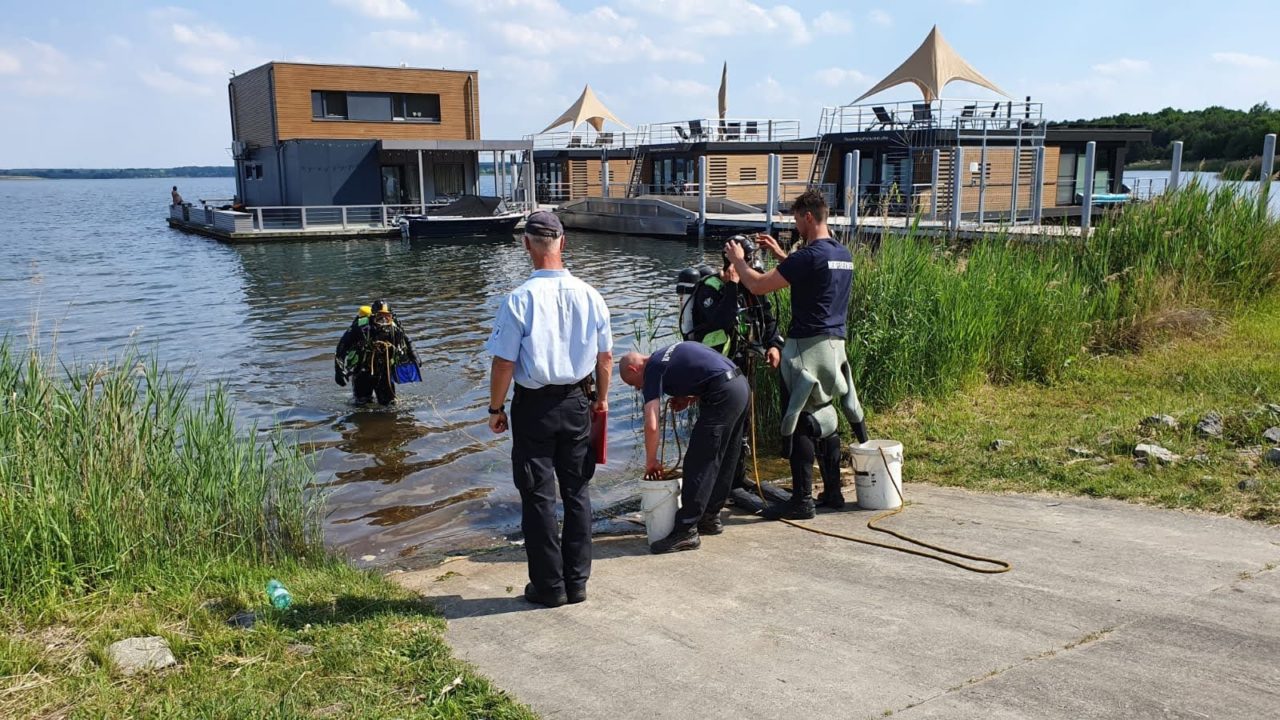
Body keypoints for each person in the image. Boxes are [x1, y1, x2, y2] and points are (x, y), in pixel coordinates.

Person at [485, 211, 612, 608]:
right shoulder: (591, 295)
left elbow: (504, 362)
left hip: (534, 407)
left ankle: (549, 587)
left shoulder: (518, 299)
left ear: (527, 245)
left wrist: (495, 408)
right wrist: (601, 401)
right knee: (576, 492)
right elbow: (606, 358)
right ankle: (577, 583)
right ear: (563, 243)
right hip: (577, 401)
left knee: (538, 495)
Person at [725, 189, 869, 519]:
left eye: (796, 222)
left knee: (801, 421)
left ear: (807, 216)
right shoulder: (842, 254)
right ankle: (832, 492)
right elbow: (811, 276)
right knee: (826, 417)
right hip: (834, 349)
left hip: (805, 349)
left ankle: (802, 500)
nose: (796, 229)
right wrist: (779, 253)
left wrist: (738, 261)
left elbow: (758, 285)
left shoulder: (809, 255)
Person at [619, 341, 749, 554]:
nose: (637, 388)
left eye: (633, 384)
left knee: (698, 461)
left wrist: (652, 460)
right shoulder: (666, 353)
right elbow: (703, 367)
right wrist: (691, 397)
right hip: (739, 386)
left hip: (723, 393)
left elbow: (651, 423)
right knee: (724, 457)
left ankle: (686, 531)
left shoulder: (652, 368)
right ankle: (709, 517)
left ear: (634, 369)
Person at [682, 234, 783, 501]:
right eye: (745, 261)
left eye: (750, 261)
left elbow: (769, 318)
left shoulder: (752, 288)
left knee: (743, 425)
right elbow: (723, 322)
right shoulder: (710, 288)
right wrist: (731, 288)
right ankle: (721, 486)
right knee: (723, 431)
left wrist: (774, 345)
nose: (750, 265)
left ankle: (738, 476)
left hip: (745, 365)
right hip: (718, 374)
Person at [334, 300, 419, 406]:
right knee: (361, 406)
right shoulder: (360, 328)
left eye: (387, 317)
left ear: (391, 317)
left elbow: (408, 342)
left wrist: (415, 357)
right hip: (362, 371)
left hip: (385, 373)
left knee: (390, 405)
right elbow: (342, 346)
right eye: (379, 317)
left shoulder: (394, 329)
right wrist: (339, 370)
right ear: (372, 316)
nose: (383, 321)